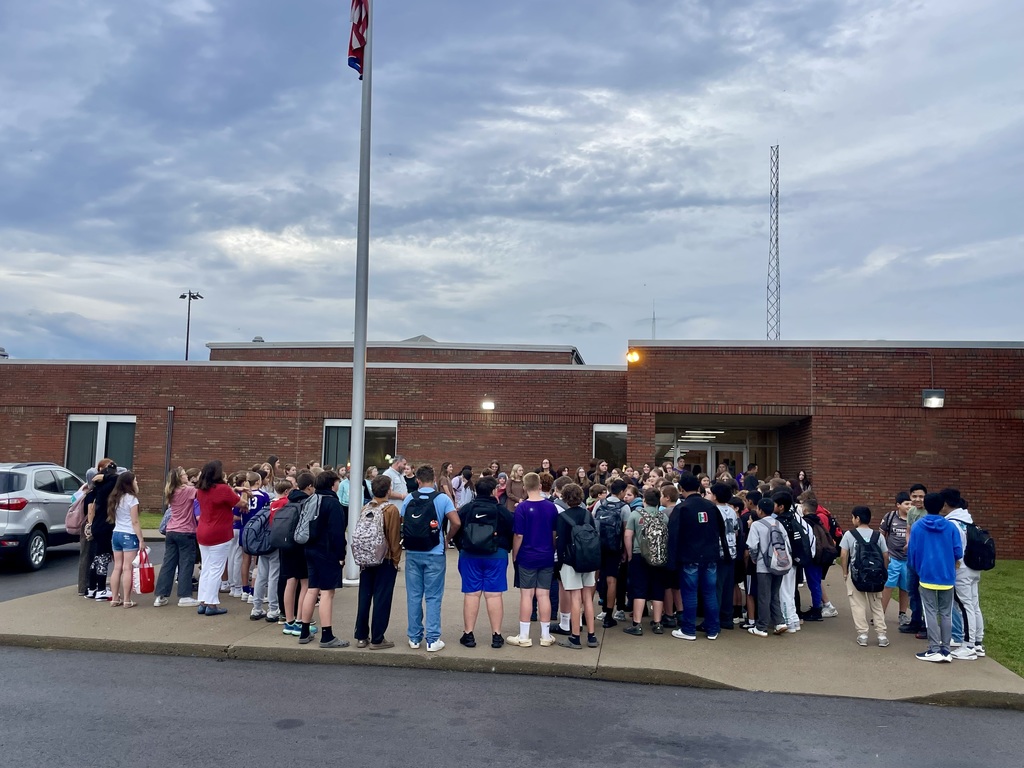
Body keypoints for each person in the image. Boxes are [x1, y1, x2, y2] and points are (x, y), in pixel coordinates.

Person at [446, 475, 514, 649]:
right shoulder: (501, 510)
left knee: (472, 594)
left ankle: (468, 634)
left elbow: (457, 528)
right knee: (494, 595)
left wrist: (461, 547)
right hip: (496, 555)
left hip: (470, 555)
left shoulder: (467, 509)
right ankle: (496, 636)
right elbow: (512, 530)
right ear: (493, 491)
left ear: (476, 490)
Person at [667, 473, 729, 641]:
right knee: (710, 593)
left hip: (689, 557)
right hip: (711, 556)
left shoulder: (682, 508)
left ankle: (688, 629)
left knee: (690, 593)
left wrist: (671, 561)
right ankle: (713, 628)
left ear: (681, 489)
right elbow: (721, 532)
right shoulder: (711, 506)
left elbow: (673, 537)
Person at [401, 465, 456, 652]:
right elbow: (456, 522)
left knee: (414, 595)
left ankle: (414, 638)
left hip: (413, 552)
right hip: (435, 551)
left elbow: (403, 521)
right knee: (433, 596)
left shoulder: (409, 498)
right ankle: (433, 640)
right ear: (433, 479)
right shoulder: (442, 498)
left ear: (417, 480)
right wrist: (447, 538)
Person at [908, 492, 962, 662]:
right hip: (947, 576)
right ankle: (946, 649)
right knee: (946, 613)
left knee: (930, 612)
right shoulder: (951, 527)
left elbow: (912, 553)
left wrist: (918, 569)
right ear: (942, 506)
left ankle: (933, 648)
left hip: (927, 575)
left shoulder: (917, 526)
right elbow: (958, 551)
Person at [298, 470, 349, 648]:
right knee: (327, 592)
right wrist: (341, 555)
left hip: (309, 549)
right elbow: (337, 532)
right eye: (337, 481)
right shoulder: (332, 503)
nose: (338, 484)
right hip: (327, 552)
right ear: (331, 484)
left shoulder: (311, 500)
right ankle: (327, 635)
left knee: (312, 589)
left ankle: (304, 631)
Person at [506, 472, 558, 648]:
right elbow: (554, 533)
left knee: (526, 595)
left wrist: (515, 554)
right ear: (540, 486)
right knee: (544, 594)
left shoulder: (521, 508)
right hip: (546, 555)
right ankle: (545, 635)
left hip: (527, 555)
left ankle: (524, 635)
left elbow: (519, 535)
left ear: (524, 487)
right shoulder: (551, 507)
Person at [352, 474, 403, 650]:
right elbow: (394, 537)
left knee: (364, 597)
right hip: (385, 559)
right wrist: (396, 560)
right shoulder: (391, 510)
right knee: (382, 598)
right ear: (389, 490)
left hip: (366, 559)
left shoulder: (366, 507)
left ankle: (361, 636)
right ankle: (377, 638)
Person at [196, 460, 249, 616]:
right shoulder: (223, 489)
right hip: (219, 532)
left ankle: (203, 601)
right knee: (216, 569)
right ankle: (211, 603)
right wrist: (244, 491)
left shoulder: (201, 489)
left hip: (203, 531)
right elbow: (241, 503)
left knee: (206, 567)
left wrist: (235, 488)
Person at [554, 483, 599, 650]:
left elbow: (560, 543)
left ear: (564, 498)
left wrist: (558, 564)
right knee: (587, 598)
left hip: (570, 561)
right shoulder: (588, 515)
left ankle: (575, 636)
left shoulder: (563, 517)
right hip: (589, 560)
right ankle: (592, 636)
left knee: (575, 598)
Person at [942, 489, 985, 660]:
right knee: (974, 605)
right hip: (974, 567)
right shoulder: (967, 519)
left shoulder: (952, 523)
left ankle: (968, 646)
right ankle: (978, 643)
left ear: (945, 504)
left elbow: (955, 549)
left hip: (961, 569)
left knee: (965, 606)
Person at [622, 487, 671, 635]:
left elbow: (628, 536)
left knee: (639, 589)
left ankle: (637, 624)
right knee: (658, 589)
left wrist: (629, 555)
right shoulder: (663, 517)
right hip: (659, 556)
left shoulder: (635, 515)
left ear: (644, 500)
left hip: (639, 555)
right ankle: (657, 623)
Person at [840, 506, 889, 648]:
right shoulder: (877, 535)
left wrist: (845, 572)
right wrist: (883, 571)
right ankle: (881, 635)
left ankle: (862, 635)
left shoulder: (850, 534)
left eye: (853, 517)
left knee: (858, 604)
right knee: (877, 604)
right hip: (875, 575)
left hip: (856, 575)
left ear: (857, 518)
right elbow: (885, 555)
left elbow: (844, 555)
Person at [154, 467, 200, 608]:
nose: (187, 476)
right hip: (186, 530)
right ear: (181, 478)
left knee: (168, 564)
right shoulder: (188, 491)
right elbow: (203, 493)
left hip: (171, 530)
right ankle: (185, 595)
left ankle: (160, 596)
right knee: (186, 563)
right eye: (184, 474)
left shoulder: (171, 491)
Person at [746, 497, 789, 636]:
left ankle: (762, 626)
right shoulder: (778, 523)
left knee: (764, 596)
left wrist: (753, 559)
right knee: (774, 594)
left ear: (759, 510)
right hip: (779, 564)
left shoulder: (756, 525)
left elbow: (752, 546)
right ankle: (779, 622)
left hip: (763, 565)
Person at [280, 472, 316, 636]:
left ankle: (288, 622)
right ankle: (301, 621)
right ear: (309, 486)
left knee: (290, 581)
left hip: (286, 545)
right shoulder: (307, 502)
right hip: (300, 546)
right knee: (305, 583)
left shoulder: (289, 500)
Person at [250, 480, 289, 622]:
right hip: (276, 542)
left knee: (261, 575)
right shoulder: (286, 503)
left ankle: (257, 607)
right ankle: (273, 609)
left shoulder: (271, 503)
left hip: (264, 541)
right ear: (286, 492)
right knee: (274, 576)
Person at [107, 471, 146, 609]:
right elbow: (135, 521)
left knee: (117, 567)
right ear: (129, 483)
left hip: (116, 533)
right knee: (127, 568)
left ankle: (115, 598)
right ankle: (127, 600)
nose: (137, 483)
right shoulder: (132, 499)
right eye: (135, 481)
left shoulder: (115, 497)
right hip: (129, 534)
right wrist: (141, 539)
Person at [594, 479, 629, 628]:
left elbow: (593, 522)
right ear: (621, 492)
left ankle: (585, 612)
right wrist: (626, 551)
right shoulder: (624, 508)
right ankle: (609, 614)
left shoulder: (600, 503)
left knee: (593, 578)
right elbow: (626, 531)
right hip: (614, 548)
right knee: (611, 580)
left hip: (597, 547)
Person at [84, 460, 118, 601]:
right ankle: (102, 590)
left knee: (97, 559)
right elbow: (119, 478)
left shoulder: (96, 489)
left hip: (97, 526)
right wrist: (106, 476)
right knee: (103, 558)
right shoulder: (110, 485)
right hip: (106, 526)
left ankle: (92, 588)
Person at [900, 483, 929, 636]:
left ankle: (926, 624)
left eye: (921, 496)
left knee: (925, 591)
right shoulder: (911, 512)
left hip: (925, 558)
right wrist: (908, 543)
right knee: (912, 589)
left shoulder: (929, 512)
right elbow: (909, 530)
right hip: (912, 557)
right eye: (914, 496)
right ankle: (915, 621)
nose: (918, 499)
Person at [880, 491, 912, 623]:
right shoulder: (890, 517)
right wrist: (883, 553)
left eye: (911, 504)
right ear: (898, 505)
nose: (909, 506)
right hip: (892, 557)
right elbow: (882, 534)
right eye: (906, 504)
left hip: (908, 560)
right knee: (888, 586)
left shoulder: (914, 518)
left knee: (905, 587)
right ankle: (880, 614)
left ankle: (902, 614)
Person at [711, 482, 739, 631]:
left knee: (717, 588)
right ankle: (727, 618)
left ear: (715, 496)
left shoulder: (714, 510)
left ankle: (714, 619)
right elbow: (736, 531)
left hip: (719, 552)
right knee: (728, 586)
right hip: (731, 551)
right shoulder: (732, 511)